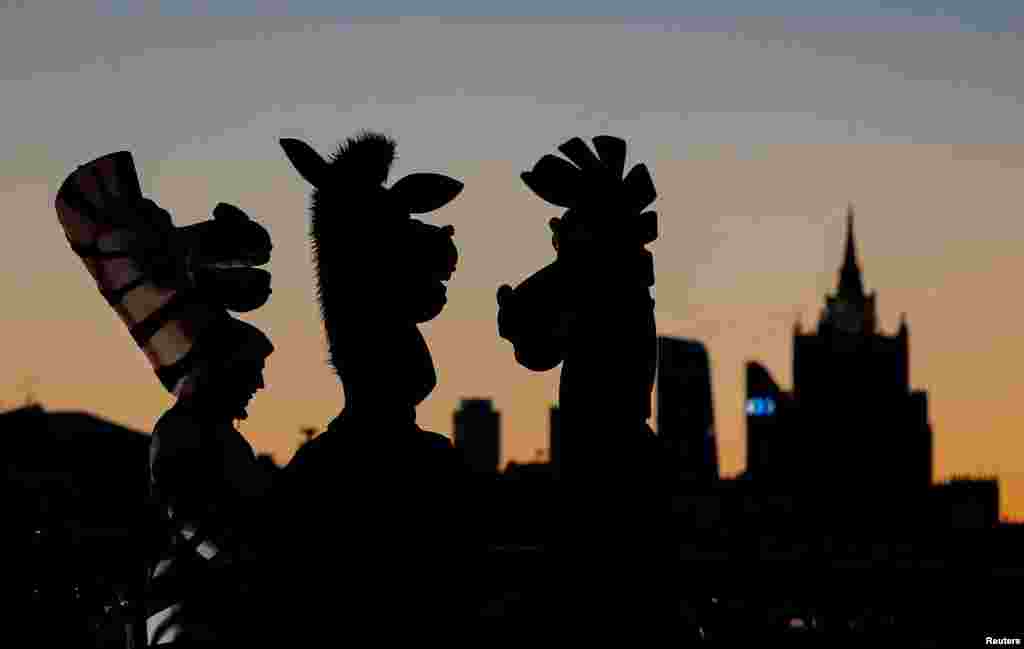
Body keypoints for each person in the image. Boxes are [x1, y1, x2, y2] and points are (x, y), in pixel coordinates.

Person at [146, 314, 275, 645]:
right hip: (190, 609)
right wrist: (233, 567)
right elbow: (184, 515)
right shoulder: (182, 430)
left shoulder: (217, 434)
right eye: (253, 369)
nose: (259, 384)